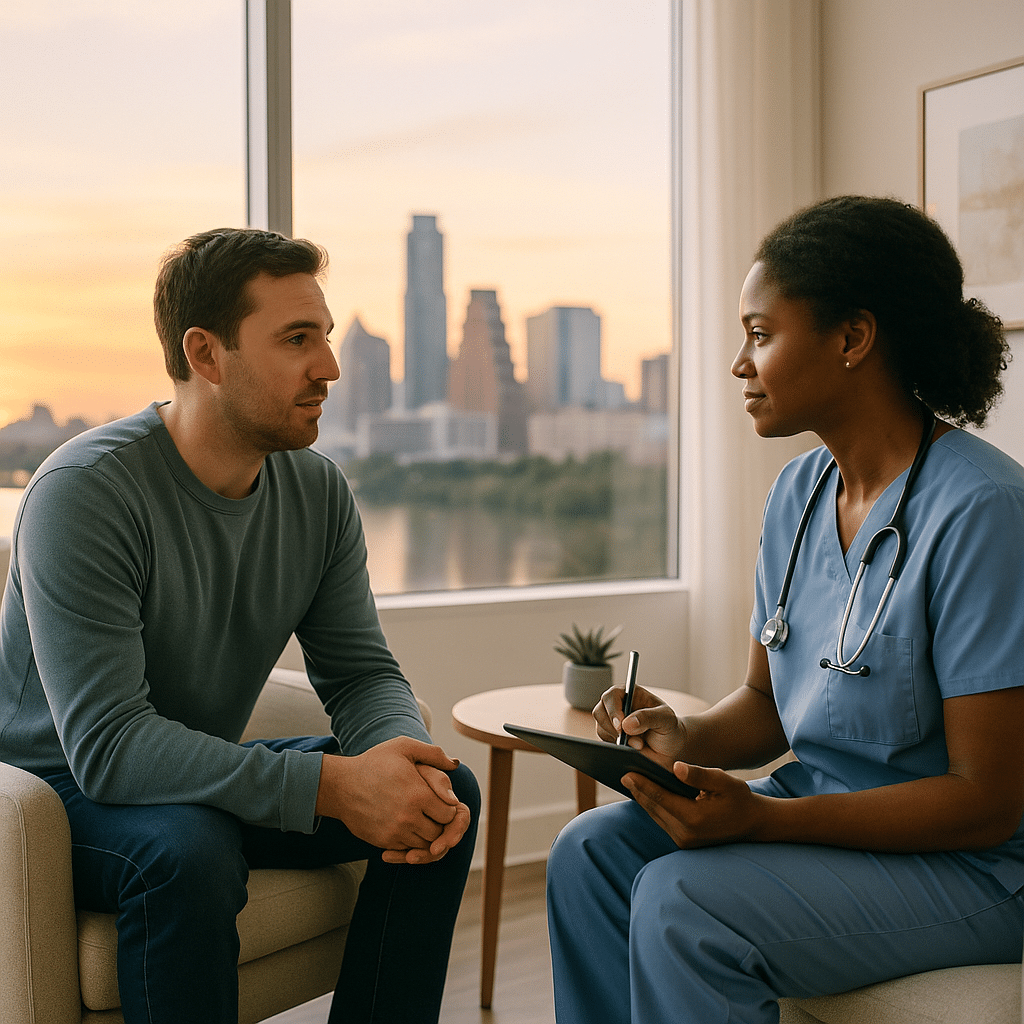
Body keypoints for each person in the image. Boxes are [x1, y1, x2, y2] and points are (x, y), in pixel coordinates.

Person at [546, 195, 1024, 1023]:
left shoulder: (984, 510)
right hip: (813, 814)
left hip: (971, 865)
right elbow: (768, 704)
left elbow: (987, 798)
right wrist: (682, 738)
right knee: (587, 852)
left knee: (683, 900)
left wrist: (764, 823)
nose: (739, 363)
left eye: (760, 335)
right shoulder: (798, 496)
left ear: (851, 339)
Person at [0, 227, 479, 1024]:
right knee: (188, 851)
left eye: (324, 336)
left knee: (444, 795)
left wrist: (399, 760)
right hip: (54, 795)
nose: (328, 366)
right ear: (205, 353)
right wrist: (335, 785)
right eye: (297, 339)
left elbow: (360, 672)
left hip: (189, 772)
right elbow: (110, 748)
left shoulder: (317, 492)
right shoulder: (83, 492)